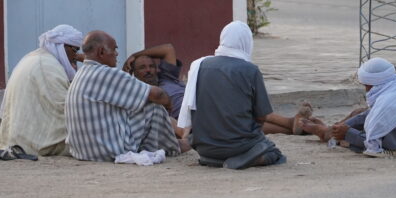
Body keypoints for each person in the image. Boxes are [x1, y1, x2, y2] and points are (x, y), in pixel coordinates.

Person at [124, 43, 317, 136]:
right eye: (142, 68)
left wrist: (136, 55)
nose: (149, 70)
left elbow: (168, 49)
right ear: (134, 73)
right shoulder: (141, 91)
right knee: (243, 119)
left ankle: (292, 125)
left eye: (150, 66)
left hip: (207, 102)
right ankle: (291, 124)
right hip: (193, 120)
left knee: (244, 113)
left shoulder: (167, 77)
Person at [179, 21, 286, 169]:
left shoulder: (200, 65)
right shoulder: (250, 70)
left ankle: (215, 160)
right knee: (273, 153)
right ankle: (242, 159)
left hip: (204, 148)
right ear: (247, 42)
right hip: (239, 146)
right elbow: (262, 116)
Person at [65, 30, 182, 162]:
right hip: (107, 152)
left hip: (82, 152)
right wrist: (168, 104)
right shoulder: (106, 73)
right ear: (101, 52)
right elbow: (157, 95)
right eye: (114, 50)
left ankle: (164, 145)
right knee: (154, 107)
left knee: (138, 104)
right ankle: (173, 148)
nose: (116, 54)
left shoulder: (81, 74)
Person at [301, 57, 396, 158]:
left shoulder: (388, 106)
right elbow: (372, 114)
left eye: (367, 86)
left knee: (350, 130)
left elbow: (389, 145)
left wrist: (348, 134)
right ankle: (329, 131)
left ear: (375, 83)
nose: (366, 91)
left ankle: (326, 133)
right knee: (359, 113)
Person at [0, 24, 84, 156]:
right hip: (34, 143)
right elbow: (66, 111)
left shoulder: (38, 58)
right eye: (75, 50)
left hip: (17, 138)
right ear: (63, 46)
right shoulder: (47, 67)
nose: (76, 57)